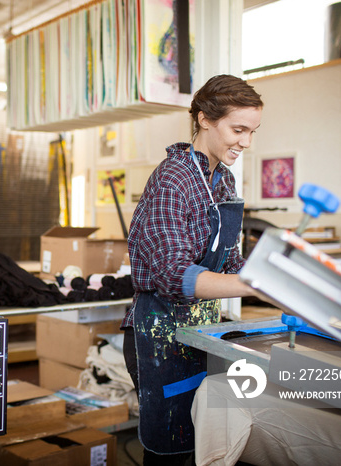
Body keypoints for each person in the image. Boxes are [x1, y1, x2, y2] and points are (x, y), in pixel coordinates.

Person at [121, 74, 264, 465]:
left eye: (252, 131)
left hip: (202, 333)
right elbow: (172, 274)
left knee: (204, 442)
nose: (246, 142)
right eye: (238, 130)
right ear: (204, 119)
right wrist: (253, 286)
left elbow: (227, 260)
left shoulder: (224, 180)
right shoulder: (173, 178)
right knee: (172, 451)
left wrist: (270, 273)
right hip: (160, 334)